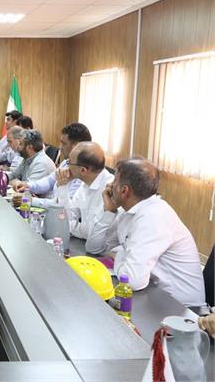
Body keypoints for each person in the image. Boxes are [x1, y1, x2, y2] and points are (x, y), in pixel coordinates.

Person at [89, 157, 205, 307]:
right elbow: (95, 248)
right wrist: (109, 212)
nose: (110, 186)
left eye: (114, 181)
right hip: (153, 295)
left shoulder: (153, 216)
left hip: (181, 309)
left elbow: (131, 280)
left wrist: (120, 254)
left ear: (124, 191)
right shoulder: (131, 211)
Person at [13, 122, 92, 207]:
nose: (60, 147)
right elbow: (49, 181)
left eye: (64, 143)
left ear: (76, 146)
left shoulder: (83, 172)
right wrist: (28, 185)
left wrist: (30, 200)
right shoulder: (66, 162)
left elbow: (64, 205)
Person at [54, 142, 114, 240]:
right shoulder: (86, 183)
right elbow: (66, 216)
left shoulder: (109, 190)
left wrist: (69, 225)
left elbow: (89, 233)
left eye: (69, 162)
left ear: (83, 170)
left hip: (104, 248)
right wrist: (63, 186)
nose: (66, 166)